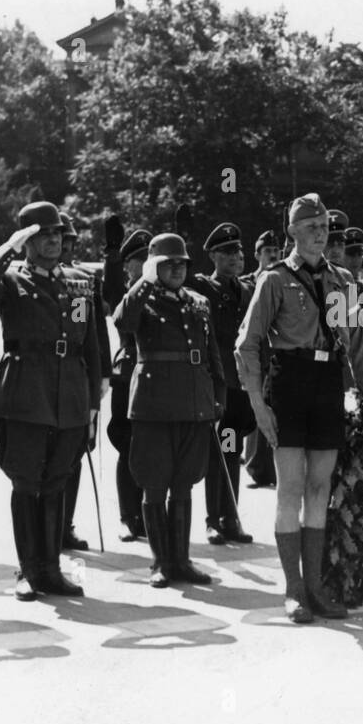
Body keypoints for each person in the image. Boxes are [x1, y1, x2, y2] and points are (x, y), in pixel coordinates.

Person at [235, 193, 363, 623]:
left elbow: (359, 348)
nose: (320, 234)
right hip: (289, 382)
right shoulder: (274, 280)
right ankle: (293, 589)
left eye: (324, 227)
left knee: (319, 488)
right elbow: (246, 344)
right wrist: (257, 403)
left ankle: (316, 586)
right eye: (311, 228)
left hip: (327, 383)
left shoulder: (344, 281)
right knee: (290, 487)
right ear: (292, 233)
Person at [0, 202, 100, 601]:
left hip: (70, 393)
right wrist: (8, 248)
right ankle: (28, 571)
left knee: (57, 481)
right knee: (26, 483)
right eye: (44, 235)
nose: (55, 240)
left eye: (58, 234)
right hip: (25, 392)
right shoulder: (9, 279)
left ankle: (51, 569)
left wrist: (92, 401)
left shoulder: (78, 282)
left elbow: (89, 343)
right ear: (26, 241)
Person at [115, 233, 225, 587]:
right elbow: (123, 322)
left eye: (182, 263)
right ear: (153, 268)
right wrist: (144, 282)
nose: (177, 269)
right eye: (169, 264)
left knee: (183, 484)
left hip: (193, 403)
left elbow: (212, 356)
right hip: (154, 404)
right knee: (154, 484)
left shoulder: (198, 301)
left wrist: (217, 397)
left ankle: (182, 560)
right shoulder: (142, 300)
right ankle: (161, 562)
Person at [187, 222, 256, 545]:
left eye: (239, 251)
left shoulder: (247, 290)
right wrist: (183, 236)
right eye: (227, 252)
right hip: (219, 383)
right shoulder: (204, 287)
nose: (236, 257)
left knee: (233, 449)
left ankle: (231, 516)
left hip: (241, 383)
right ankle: (213, 519)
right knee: (218, 451)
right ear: (213, 256)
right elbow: (184, 278)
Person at [56, 211, 111, 550]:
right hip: (46, 379)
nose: (63, 246)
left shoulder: (82, 281)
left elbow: (89, 331)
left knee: (76, 452)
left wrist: (101, 373)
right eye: (60, 240)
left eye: (69, 241)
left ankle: (65, 524)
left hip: (77, 377)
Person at [102, 217, 151, 540]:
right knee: (126, 443)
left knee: (150, 446)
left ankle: (146, 514)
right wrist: (111, 253)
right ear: (129, 264)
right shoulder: (124, 289)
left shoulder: (160, 290)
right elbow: (110, 290)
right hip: (127, 371)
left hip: (154, 375)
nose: (146, 265)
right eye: (140, 259)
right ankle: (126, 515)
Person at [242, 230, 280, 489]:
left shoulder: (282, 279)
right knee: (255, 410)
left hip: (276, 356)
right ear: (257, 255)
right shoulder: (246, 283)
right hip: (255, 354)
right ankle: (255, 467)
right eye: (268, 251)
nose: (273, 255)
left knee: (276, 410)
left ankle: (275, 469)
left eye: (276, 251)